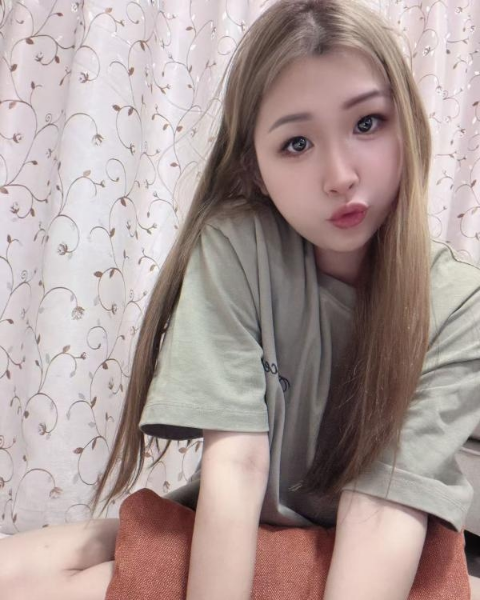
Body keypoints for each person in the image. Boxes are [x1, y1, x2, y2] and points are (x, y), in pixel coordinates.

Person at [1, 0, 480, 599]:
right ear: (254, 167)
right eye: (297, 143)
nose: (340, 175)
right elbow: (237, 464)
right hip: (243, 523)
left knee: (86, 582)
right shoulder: (238, 244)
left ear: (407, 119)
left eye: (367, 123)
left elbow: (383, 513)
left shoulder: (459, 300)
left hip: (377, 547)